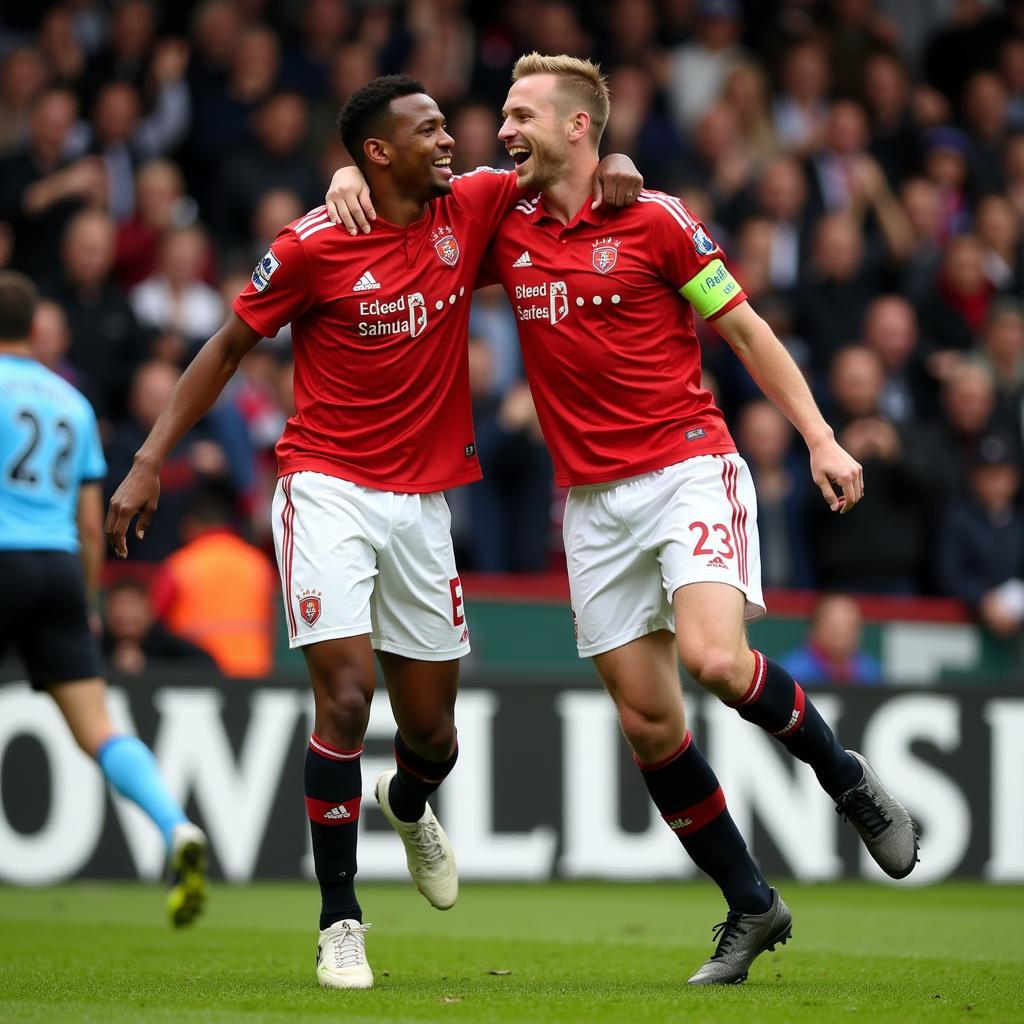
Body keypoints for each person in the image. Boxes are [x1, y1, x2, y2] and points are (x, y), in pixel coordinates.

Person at [327, 52, 918, 988]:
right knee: (650, 726)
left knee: (716, 661)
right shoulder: (503, 222)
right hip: (591, 505)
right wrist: (352, 171)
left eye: (522, 114)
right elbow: (407, 213)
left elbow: (749, 330)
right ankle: (752, 907)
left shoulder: (655, 217)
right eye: (503, 116)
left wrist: (819, 436)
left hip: (688, 467)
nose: (502, 130)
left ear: (577, 127)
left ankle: (842, 773)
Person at [106, 75, 641, 991]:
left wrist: (620, 160)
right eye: (428, 129)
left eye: (447, 127)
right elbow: (227, 348)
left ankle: (408, 801)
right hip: (325, 487)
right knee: (347, 700)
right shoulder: (313, 242)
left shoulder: (466, 207)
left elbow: (567, 167)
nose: (452, 139)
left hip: (425, 504)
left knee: (434, 736)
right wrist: (152, 458)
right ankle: (340, 920)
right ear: (377, 154)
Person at [0, 271, 207, 926]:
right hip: (60, 567)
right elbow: (92, 521)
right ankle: (175, 826)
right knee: (98, 727)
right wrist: (87, 596)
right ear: (37, 330)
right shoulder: (73, 402)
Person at [780, 593, 882, 685]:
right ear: (814, 628)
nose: (842, 634)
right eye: (834, 627)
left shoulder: (869, 672)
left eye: (849, 626)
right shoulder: (792, 674)